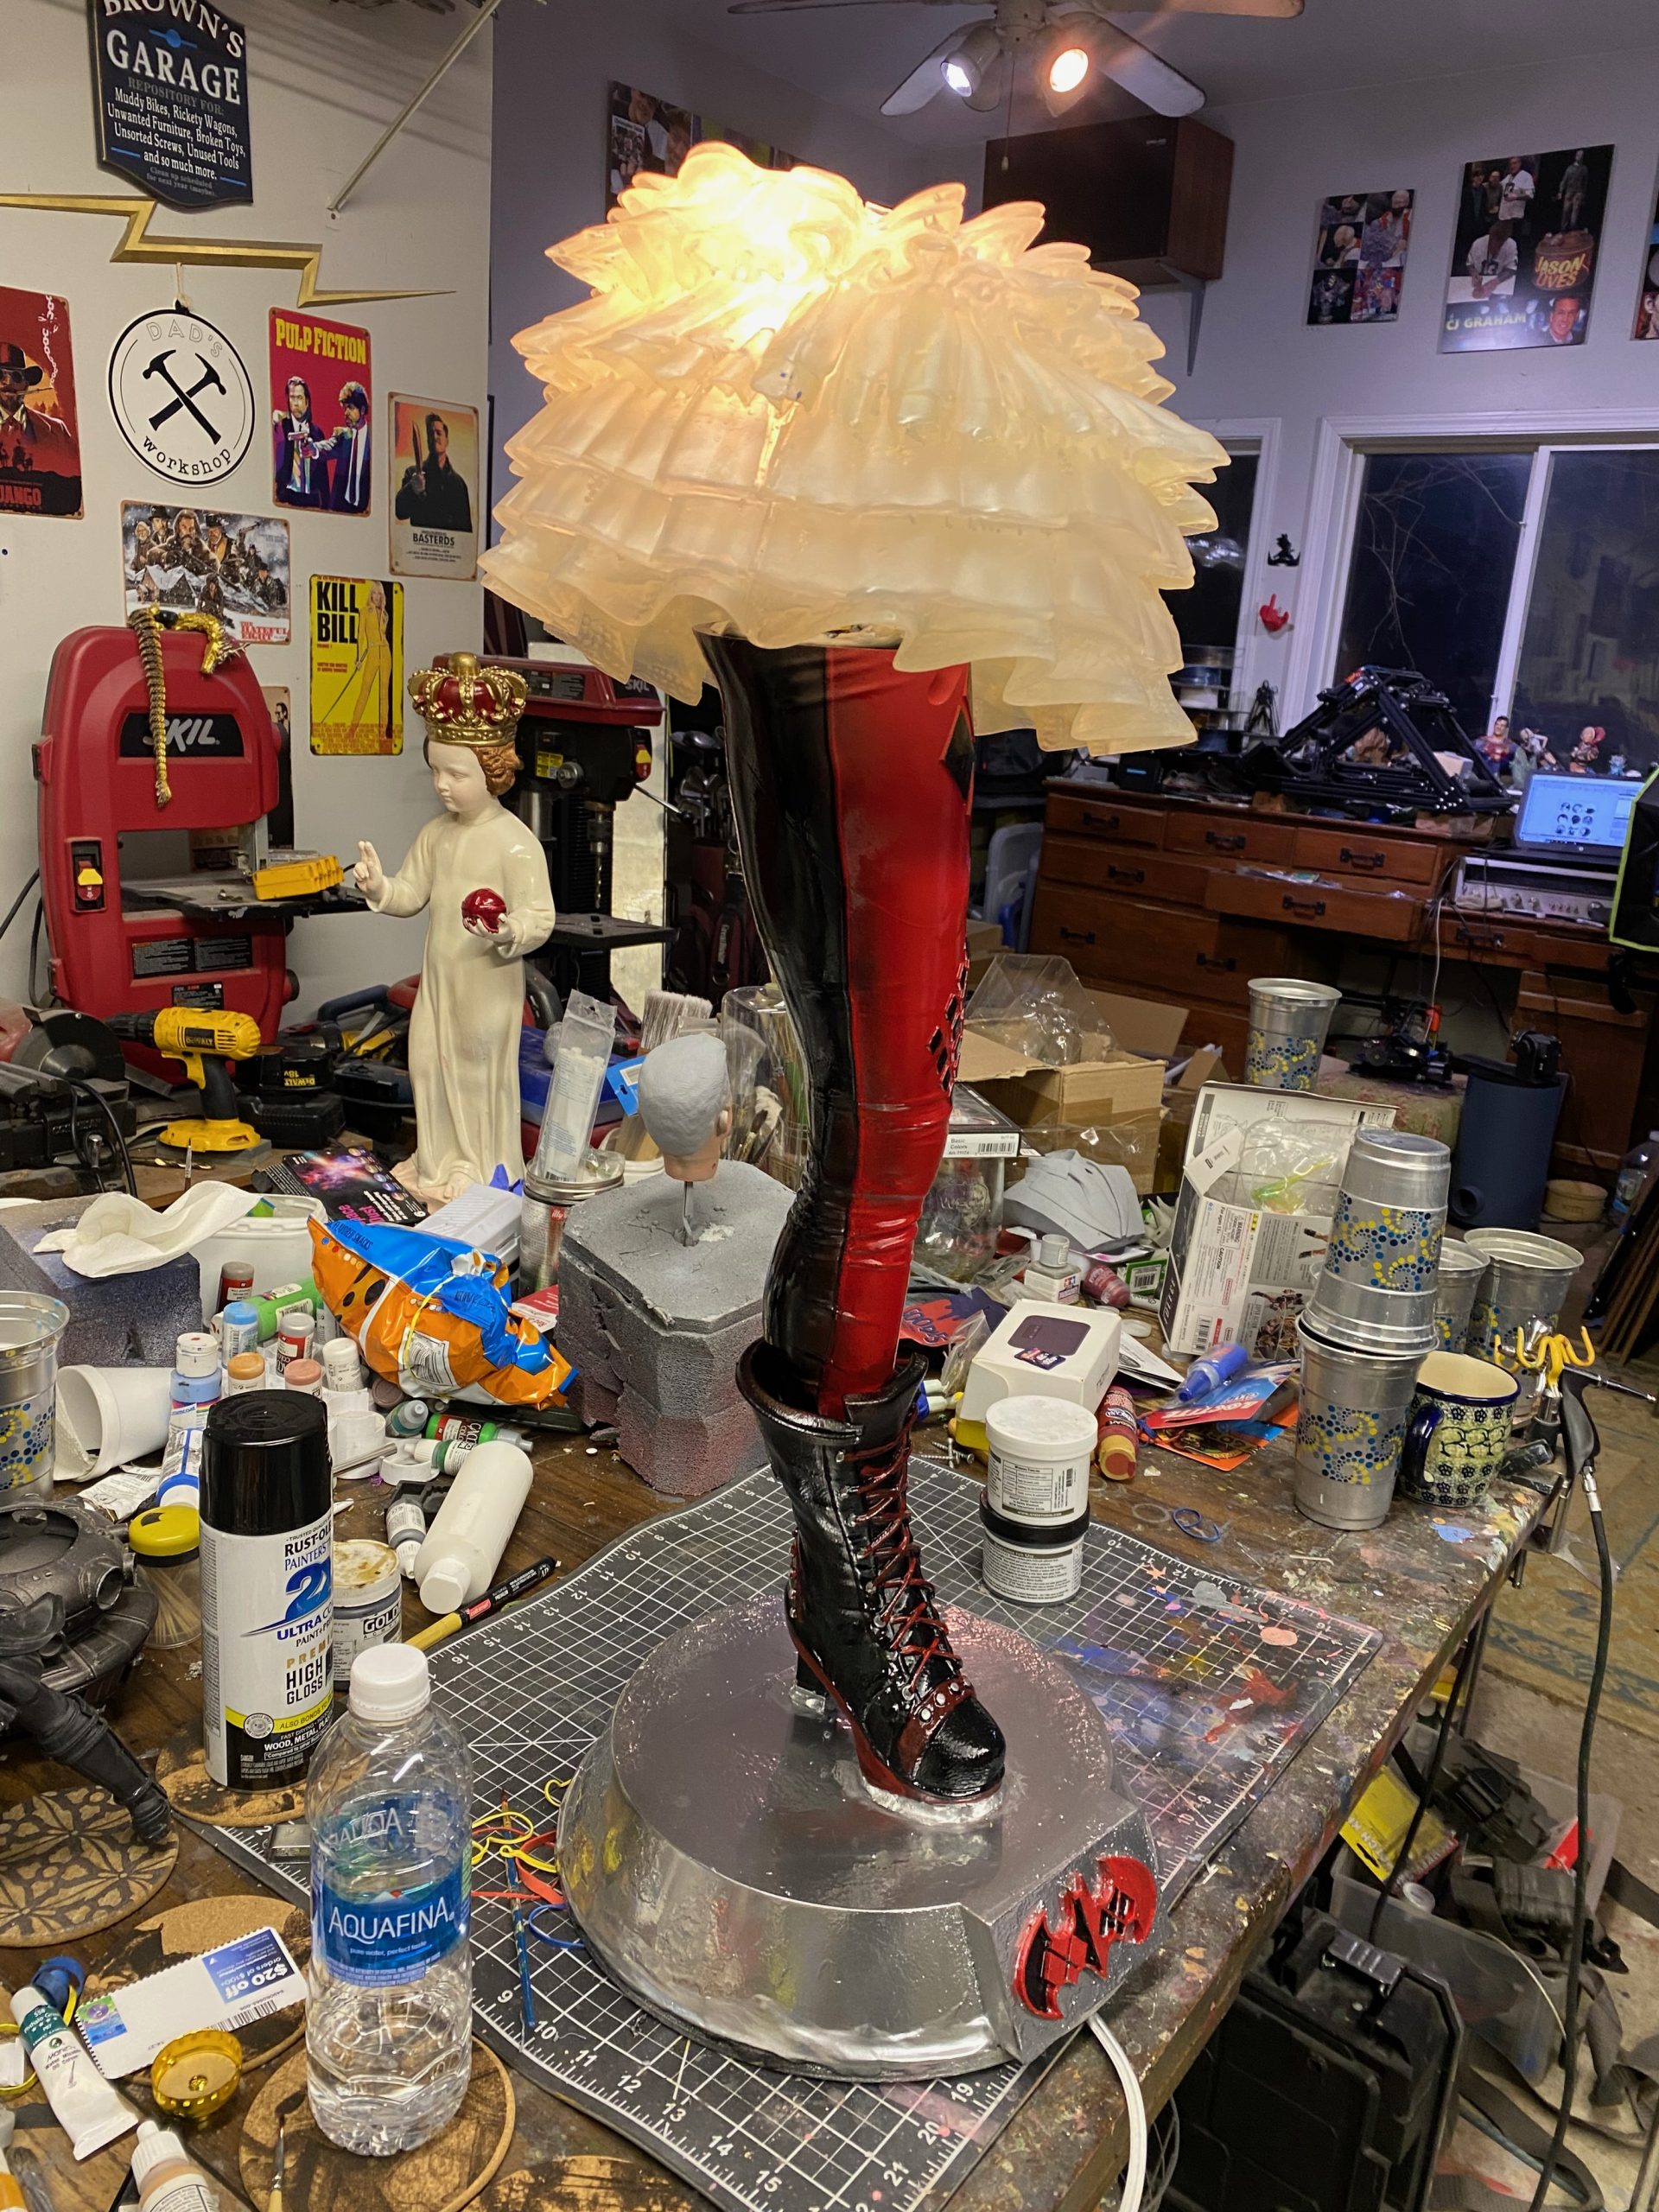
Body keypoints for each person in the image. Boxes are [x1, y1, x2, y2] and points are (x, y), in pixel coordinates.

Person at [353, 654, 554, 1201]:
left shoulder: (515, 843)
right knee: (428, 1066)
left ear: (494, 771)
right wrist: (378, 886)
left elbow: (540, 917)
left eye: (457, 774)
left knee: (475, 1074)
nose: (442, 785)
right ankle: (437, 1160)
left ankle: (480, 1165)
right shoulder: (437, 834)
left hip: (486, 985)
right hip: (440, 984)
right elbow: (410, 893)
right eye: (436, 771)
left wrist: (510, 930)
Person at [0, 340, 76, 476]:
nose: (8, 382)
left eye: (16, 376)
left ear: (26, 384)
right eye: (0, 375)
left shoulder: (57, 431)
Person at [395, 412, 473, 532]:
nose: (435, 437)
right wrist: (412, 490)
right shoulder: (412, 474)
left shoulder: (459, 484)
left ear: (446, 440)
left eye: (439, 433)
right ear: (427, 440)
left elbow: (466, 530)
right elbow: (400, 512)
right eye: (431, 434)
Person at [272, 375, 326, 507]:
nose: (295, 403)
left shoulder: (317, 433)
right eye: (292, 398)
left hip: (312, 498)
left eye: (300, 398)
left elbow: (323, 475)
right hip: (286, 495)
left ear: (307, 401)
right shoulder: (280, 426)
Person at [324, 380, 372, 514]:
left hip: (365, 513)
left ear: (362, 410)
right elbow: (327, 447)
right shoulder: (343, 435)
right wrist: (312, 448)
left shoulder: (374, 440)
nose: (346, 413)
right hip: (340, 509)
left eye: (350, 408)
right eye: (345, 408)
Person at [1465, 220, 1517, 299]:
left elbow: (1512, 269)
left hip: (1500, 285)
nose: (1496, 246)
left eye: (1500, 242)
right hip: (1479, 281)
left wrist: (1496, 281)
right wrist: (1473, 273)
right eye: (1495, 240)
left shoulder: (1511, 245)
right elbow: (1470, 263)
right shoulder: (1478, 244)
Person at [1498, 156, 1535, 228]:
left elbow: (1530, 195)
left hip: (1516, 217)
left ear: (1520, 164)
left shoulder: (1526, 176)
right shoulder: (1508, 177)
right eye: (1510, 164)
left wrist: (1516, 197)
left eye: (1514, 163)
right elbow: (1500, 187)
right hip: (1503, 216)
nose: (1512, 166)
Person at [1558, 149, 1589, 231]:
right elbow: (1564, 180)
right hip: (1569, 192)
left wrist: (1583, 194)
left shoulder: (1584, 169)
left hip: (1578, 193)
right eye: (1579, 155)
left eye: (1581, 156)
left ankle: (1572, 230)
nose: (1580, 157)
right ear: (1576, 156)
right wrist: (1560, 191)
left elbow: (1585, 183)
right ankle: (1563, 230)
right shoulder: (1570, 168)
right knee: (1566, 212)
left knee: (1574, 214)